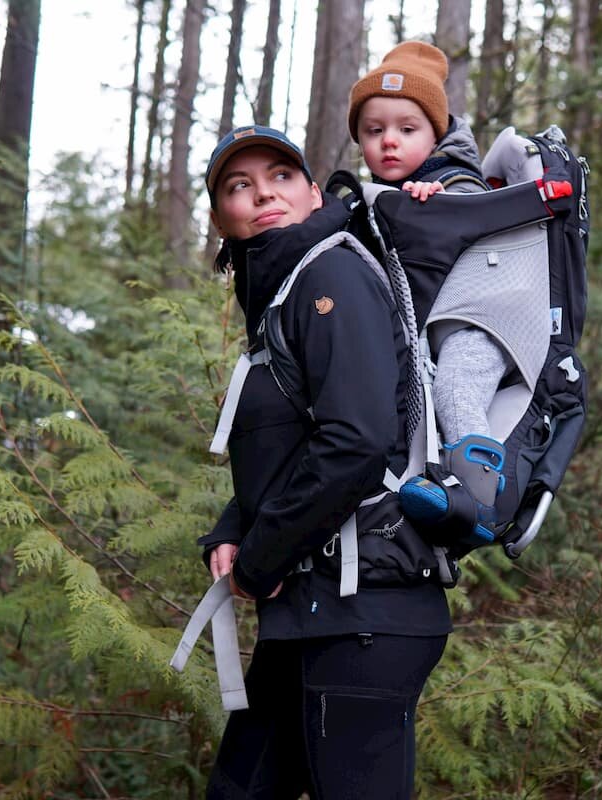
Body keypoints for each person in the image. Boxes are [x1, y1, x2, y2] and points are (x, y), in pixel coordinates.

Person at [196, 124, 452, 799]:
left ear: (314, 192)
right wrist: (233, 528)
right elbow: (300, 441)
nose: (262, 195)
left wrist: (261, 558)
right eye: (238, 186)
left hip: (366, 612)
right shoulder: (285, 292)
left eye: (280, 177)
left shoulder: (329, 272)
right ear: (222, 218)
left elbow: (359, 441)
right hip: (318, 612)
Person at [348, 41, 514, 539]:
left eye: (406, 129)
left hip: (484, 324)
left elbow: (477, 211)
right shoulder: (375, 199)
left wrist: (439, 200)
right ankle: (435, 485)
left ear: (436, 134)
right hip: (432, 328)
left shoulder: (453, 181)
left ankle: (482, 501)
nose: (389, 142)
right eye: (374, 131)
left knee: (456, 385)